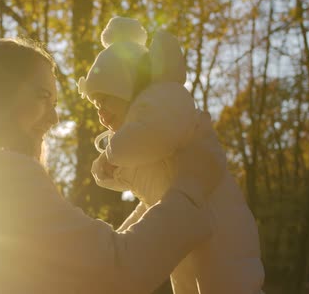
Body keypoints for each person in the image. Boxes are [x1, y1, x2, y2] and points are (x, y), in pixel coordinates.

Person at [0, 38, 224, 294]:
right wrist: (190, 186)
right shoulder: (7, 176)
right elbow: (118, 269)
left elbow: (98, 262)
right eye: (43, 96)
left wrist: (161, 195)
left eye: (55, 101)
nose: (55, 117)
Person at [78, 17, 264, 294]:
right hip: (190, 219)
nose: (100, 111)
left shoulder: (164, 99)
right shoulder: (140, 127)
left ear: (126, 85)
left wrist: (111, 156)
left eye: (104, 99)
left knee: (229, 281)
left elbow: (150, 137)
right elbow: (151, 194)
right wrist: (112, 173)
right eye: (95, 105)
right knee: (188, 284)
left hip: (219, 221)